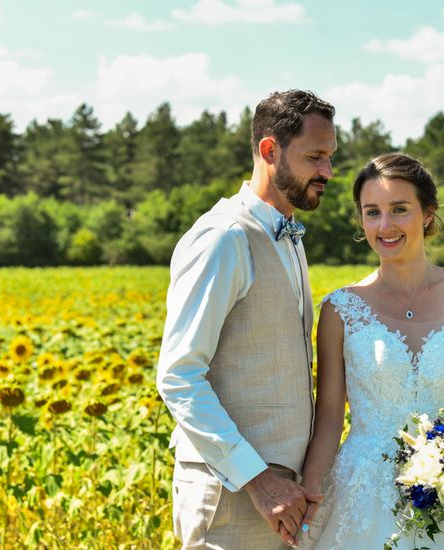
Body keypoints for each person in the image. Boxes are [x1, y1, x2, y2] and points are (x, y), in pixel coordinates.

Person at [300, 153, 444, 548]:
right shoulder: (340, 309)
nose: (384, 226)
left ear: (427, 213)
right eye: (372, 212)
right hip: (362, 495)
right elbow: (331, 416)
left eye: (399, 210)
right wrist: (310, 494)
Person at [156, 89, 337, 549]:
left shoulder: (290, 235)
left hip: (285, 501)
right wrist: (257, 479)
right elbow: (178, 377)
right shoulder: (223, 238)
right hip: (231, 497)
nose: (327, 172)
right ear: (270, 151)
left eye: (331, 158)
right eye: (315, 157)